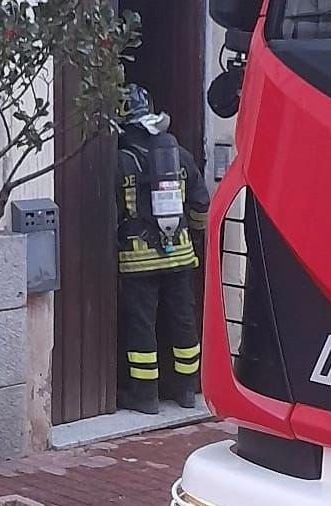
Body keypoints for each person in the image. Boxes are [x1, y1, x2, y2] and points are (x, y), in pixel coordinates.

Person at [115, 84, 210, 414]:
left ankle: (145, 396)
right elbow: (201, 204)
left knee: (142, 325)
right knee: (183, 321)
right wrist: (194, 236)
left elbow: (111, 214)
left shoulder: (120, 161)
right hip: (181, 255)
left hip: (137, 260)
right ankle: (186, 391)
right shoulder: (179, 155)